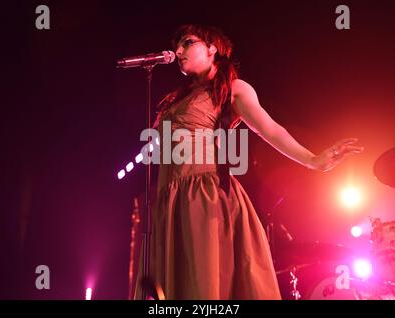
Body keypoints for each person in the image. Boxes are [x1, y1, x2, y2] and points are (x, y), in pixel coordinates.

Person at [134, 24, 364, 300]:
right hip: (171, 200)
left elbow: (270, 129)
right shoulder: (180, 98)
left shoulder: (233, 88)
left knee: (205, 285)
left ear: (211, 49)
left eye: (187, 43)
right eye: (177, 45)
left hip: (204, 198)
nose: (178, 50)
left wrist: (313, 160)